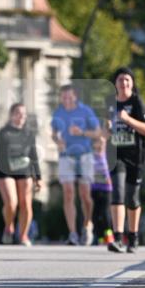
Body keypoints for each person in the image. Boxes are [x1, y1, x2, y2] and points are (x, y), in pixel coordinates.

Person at [106, 67, 145, 254]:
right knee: (118, 191)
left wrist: (127, 119)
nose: (123, 83)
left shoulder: (137, 103)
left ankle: (133, 236)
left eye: (127, 80)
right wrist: (106, 128)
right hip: (116, 156)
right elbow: (104, 131)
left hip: (136, 156)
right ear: (115, 84)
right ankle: (118, 238)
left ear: (132, 83)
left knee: (132, 197)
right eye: (120, 80)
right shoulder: (109, 104)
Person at [0, 103, 42, 246]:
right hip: (5, 171)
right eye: (18, 113)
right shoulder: (3, 134)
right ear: (11, 115)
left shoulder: (29, 134)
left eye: (23, 114)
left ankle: (23, 236)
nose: (21, 116)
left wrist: (38, 177)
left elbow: (34, 156)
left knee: (26, 204)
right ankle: (8, 227)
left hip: (24, 171)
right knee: (11, 203)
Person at [51, 84, 101, 245]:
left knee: (85, 195)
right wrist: (57, 141)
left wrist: (82, 132)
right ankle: (72, 233)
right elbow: (53, 133)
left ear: (75, 97)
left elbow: (98, 133)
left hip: (85, 155)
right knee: (68, 192)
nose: (66, 100)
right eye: (63, 97)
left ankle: (87, 224)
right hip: (66, 156)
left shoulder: (86, 111)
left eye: (69, 97)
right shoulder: (58, 112)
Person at [90, 135, 113, 245]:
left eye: (102, 143)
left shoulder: (107, 156)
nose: (100, 145)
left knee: (105, 213)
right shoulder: (91, 156)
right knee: (95, 213)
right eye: (97, 142)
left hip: (106, 188)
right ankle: (97, 236)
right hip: (94, 187)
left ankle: (108, 234)